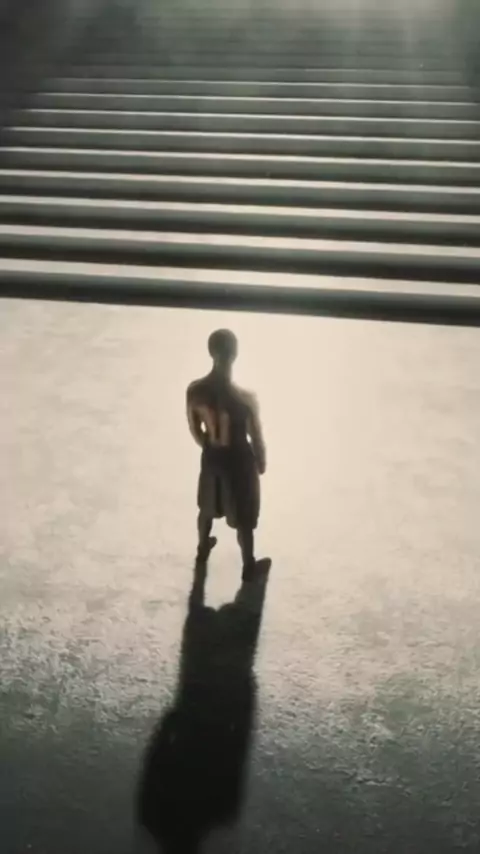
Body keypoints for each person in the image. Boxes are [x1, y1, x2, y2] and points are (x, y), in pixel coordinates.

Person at [186, 329, 266, 581]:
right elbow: (256, 435)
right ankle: (248, 564)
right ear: (235, 353)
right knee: (244, 517)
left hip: (213, 458)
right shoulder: (246, 398)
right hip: (240, 460)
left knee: (206, 507)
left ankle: (202, 548)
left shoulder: (195, 391)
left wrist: (210, 446)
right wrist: (260, 461)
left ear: (211, 351)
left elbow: (194, 428)